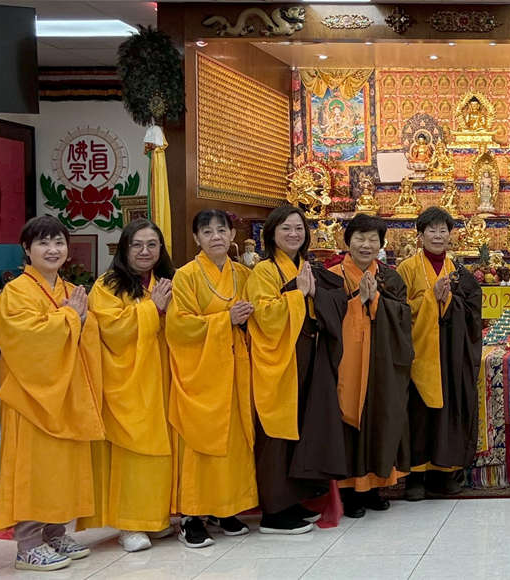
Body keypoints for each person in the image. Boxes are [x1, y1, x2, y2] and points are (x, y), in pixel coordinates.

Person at [0, 216, 103, 571]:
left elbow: (86, 331)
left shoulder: (70, 289)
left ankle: (55, 532)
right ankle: (27, 544)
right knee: (35, 467)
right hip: (31, 395)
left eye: (59, 242)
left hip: (66, 392)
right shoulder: (16, 291)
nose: (53, 249)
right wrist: (70, 318)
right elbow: (24, 339)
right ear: (27, 250)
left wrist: (82, 320)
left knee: (62, 465)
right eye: (43, 243)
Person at [243, 205, 347, 534]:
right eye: (286, 228)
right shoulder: (263, 271)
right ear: (271, 233)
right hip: (279, 358)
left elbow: (330, 303)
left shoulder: (306, 267)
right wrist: (298, 295)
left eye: (299, 228)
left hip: (307, 355)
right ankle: (274, 510)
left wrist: (313, 293)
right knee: (276, 432)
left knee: (302, 426)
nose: (293, 234)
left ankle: (293, 499)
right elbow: (264, 315)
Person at [76, 219, 176, 553]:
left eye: (152, 245)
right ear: (124, 248)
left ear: (161, 249)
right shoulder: (108, 285)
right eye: (137, 245)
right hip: (128, 380)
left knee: (162, 450)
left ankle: (155, 518)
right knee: (135, 452)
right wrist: (152, 308)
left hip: (164, 375)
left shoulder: (168, 280)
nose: (145, 251)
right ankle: (130, 524)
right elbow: (112, 331)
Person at [166, 210, 259, 548]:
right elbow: (179, 326)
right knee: (200, 441)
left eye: (222, 230)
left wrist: (245, 321)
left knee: (233, 441)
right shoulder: (186, 276)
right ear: (196, 238)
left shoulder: (244, 274)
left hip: (235, 368)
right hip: (200, 373)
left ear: (232, 235)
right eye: (207, 232)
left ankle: (225, 508)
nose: (216, 237)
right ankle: (192, 515)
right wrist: (225, 320)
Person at [317, 214, 414, 518]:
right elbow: (323, 316)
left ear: (381, 244)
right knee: (346, 420)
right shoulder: (331, 276)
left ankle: (373, 487)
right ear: (347, 241)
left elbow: (403, 317)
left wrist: (376, 301)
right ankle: (348, 491)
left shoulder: (390, 278)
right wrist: (358, 299)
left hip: (381, 360)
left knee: (379, 417)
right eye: (359, 238)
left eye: (373, 239)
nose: (366, 244)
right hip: (343, 361)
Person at [397, 207, 483, 500]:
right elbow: (397, 310)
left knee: (447, 412)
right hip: (419, 352)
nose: (437, 235)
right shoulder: (407, 268)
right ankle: (415, 477)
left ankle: (444, 473)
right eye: (431, 230)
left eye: (442, 230)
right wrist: (430, 299)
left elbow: (472, 309)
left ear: (450, 235)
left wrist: (449, 302)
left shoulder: (457, 271)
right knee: (419, 415)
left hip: (449, 353)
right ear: (420, 236)